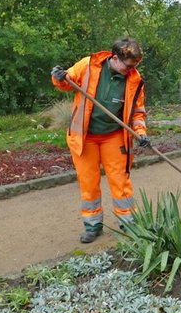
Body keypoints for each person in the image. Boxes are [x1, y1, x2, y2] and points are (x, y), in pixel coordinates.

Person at [51, 37, 151, 243]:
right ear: (115, 58)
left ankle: (129, 223)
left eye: (135, 65)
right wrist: (59, 77)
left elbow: (137, 112)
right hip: (85, 136)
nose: (131, 69)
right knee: (88, 182)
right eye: (129, 65)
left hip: (114, 136)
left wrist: (140, 133)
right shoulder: (88, 65)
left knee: (120, 180)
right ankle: (92, 225)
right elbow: (66, 83)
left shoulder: (134, 79)